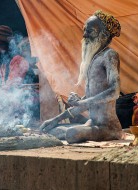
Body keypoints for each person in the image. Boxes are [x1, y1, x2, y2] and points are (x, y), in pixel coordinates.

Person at [40, 10, 123, 143]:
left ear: (104, 35)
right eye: (84, 30)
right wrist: (55, 119)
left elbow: (115, 91)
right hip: (92, 124)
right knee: (51, 130)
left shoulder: (110, 55)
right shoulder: (95, 58)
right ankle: (64, 128)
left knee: (71, 133)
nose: (84, 35)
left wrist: (81, 102)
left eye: (90, 31)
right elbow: (86, 103)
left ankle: (81, 131)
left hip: (108, 127)